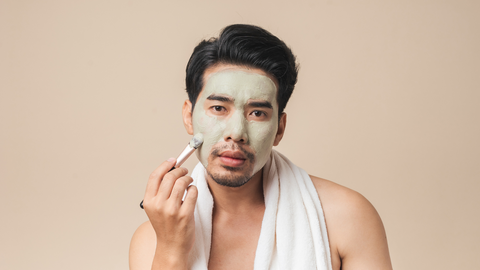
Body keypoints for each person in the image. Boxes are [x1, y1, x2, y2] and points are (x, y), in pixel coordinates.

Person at [129, 24, 392, 270]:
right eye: (219, 108)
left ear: (279, 128)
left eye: (257, 113)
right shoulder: (151, 242)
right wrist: (172, 250)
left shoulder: (345, 218)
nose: (237, 133)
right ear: (189, 117)